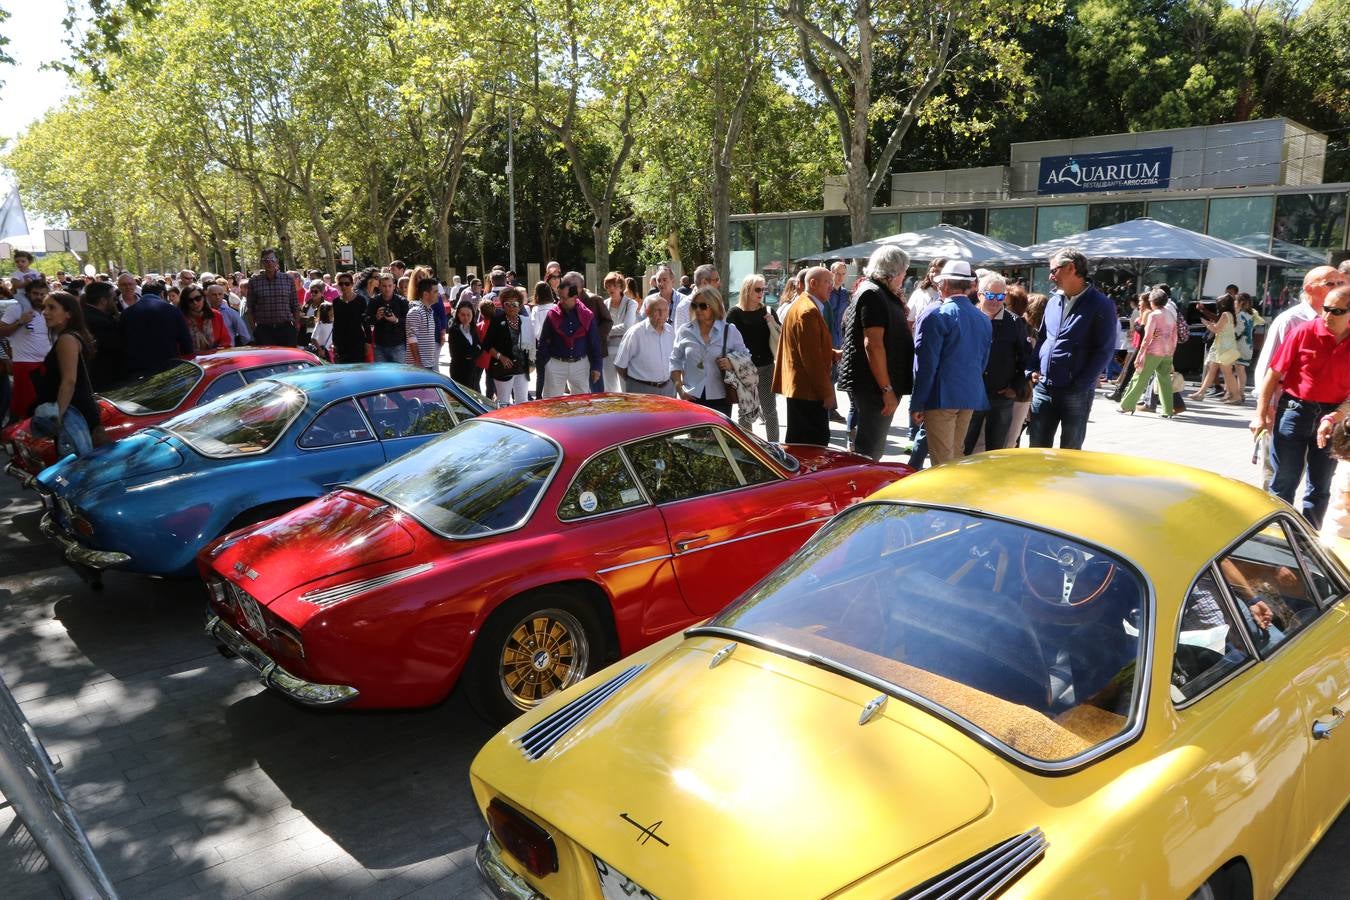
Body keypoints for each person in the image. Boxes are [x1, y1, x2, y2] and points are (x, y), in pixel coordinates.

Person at [1253, 285, 1350, 528]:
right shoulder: (1304, 331)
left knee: (1320, 485)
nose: (1327, 316)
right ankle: (1278, 536)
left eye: (1336, 311)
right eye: (1325, 309)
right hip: (1295, 410)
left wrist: (1336, 416)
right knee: (1284, 480)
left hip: (1332, 416)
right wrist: (1260, 413)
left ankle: (1308, 543)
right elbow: (1272, 375)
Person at [1027, 249, 1117, 450]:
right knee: (1037, 450)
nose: (1051, 276)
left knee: (1070, 452)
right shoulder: (1053, 301)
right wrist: (1031, 369)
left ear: (1070, 268)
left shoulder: (1101, 305)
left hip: (1076, 392)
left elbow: (1104, 350)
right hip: (1044, 388)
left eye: (1054, 270)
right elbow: (1042, 339)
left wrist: (1081, 383)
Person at [909, 260, 991, 465]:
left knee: (943, 461)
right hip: (969, 394)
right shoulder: (982, 318)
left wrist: (917, 402)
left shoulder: (935, 314)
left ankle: (945, 497)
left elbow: (925, 366)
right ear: (969, 286)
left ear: (944, 284)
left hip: (941, 397)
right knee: (956, 455)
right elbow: (982, 361)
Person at [837, 246, 913, 460]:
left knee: (870, 448)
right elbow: (873, 344)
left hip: (877, 385)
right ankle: (863, 491)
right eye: (904, 271)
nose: (905, 276)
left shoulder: (879, 292)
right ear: (894, 272)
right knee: (870, 451)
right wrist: (886, 389)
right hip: (874, 387)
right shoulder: (873, 293)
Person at [964, 272, 1031, 454]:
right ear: (979, 294)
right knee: (963, 448)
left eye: (1000, 296)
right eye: (990, 295)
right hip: (970, 394)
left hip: (1000, 395)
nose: (995, 301)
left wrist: (1015, 386)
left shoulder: (1015, 323)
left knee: (996, 450)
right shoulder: (968, 318)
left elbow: (1026, 359)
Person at [773, 266, 838, 446]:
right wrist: (827, 393)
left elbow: (805, 348)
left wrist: (832, 353)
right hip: (808, 391)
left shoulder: (804, 305)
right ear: (813, 283)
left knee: (800, 442)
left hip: (802, 389)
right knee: (812, 445)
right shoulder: (807, 310)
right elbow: (811, 358)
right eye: (827, 282)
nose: (831, 287)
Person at [33, 291, 102, 458]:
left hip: (74, 414)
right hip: (78, 411)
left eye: (52, 308)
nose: (45, 312)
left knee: (77, 470)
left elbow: (69, 381)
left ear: (68, 313)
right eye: (44, 307)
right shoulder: (71, 337)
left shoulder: (67, 340)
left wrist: (57, 417)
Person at [670, 286, 746, 415]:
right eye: (694, 305)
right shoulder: (685, 331)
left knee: (717, 435)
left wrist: (731, 362)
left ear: (714, 306)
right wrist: (680, 389)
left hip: (721, 396)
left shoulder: (729, 330)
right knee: (694, 435)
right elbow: (675, 361)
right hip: (692, 395)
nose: (698, 309)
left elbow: (746, 356)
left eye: (703, 306)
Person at [727, 274, 781, 442]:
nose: (761, 293)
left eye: (764, 289)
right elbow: (727, 340)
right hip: (744, 369)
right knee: (746, 411)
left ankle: (775, 448)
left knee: (770, 410)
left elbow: (781, 336)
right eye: (758, 289)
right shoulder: (735, 313)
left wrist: (773, 322)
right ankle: (748, 449)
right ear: (747, 290)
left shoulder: (768, 311)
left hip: (766, 367)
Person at [538, 273, 601, 397]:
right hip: (556, 364)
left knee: (581, 405)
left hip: (580, 365)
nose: (561, 301)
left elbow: (594, 342)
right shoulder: (552, 314)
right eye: (559, 297)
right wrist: (545, 363)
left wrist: (596, 366)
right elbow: (543, 340)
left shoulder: (587, 315)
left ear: (575, 297)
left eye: (564, 298)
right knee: (552, 405)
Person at [1118, 290, 1178, 418]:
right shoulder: (1170, 315)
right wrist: (1171, 352)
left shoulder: (1154, 315)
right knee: (1165, 381)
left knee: (1139, 377)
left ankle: (1127, 405)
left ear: (1153, 301)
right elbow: (1174, 336)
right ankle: (1168, 410)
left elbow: (1147, 337)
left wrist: (1141, 353)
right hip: (1167, 351)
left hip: (1153, 350)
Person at [1, 271, 51, 421]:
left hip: (48, 364)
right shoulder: (17, 309)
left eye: (43, 294)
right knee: (26, 410)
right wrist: (20, 322)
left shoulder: (50, 310)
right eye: (35, 294)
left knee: (46, 409)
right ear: (28, 294)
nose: (39, 297)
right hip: (25, 365)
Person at [614, 294, 677, 397]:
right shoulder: (635, 333)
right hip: (641, 390)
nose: (662, 314)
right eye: (657, 310)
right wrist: (635, 382)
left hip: (668, 388)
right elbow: (620, 365)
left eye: (665, 310)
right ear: (647, 312)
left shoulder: (670, 330)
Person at [1188, 295, 1241, 404]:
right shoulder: (1230, 315)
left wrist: (1206, 323)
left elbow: (1216, 329)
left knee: (1227, 373)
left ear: (1222, 304)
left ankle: (1236, 396)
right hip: (1222, 347)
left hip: (1223, 348)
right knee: (1213, 370)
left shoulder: (1226, 314)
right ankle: (1201, 393)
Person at [485, 286, 534, 404]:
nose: (511, 307)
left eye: (515, 304)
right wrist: (500, 357)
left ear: (520, 305)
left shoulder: (525, 321)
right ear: (502, 305)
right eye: (507, 304)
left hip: (521, 367)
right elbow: (486, 344)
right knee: (503, 402)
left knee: (522, 401)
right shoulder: (497, 320)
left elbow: (532, 344)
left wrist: (532, 362)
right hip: (503, 368)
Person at [247, 249, 301, 346]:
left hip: (286, 329)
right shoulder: (254, 281)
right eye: (266, 260)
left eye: (272, 259)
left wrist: (296, 325)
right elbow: (250, 308)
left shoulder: (287, 279)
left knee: (288, 359)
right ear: (262, 262)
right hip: (264, 330)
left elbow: (295, 304)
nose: (269, 263)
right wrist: (254, 328)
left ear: (277, 261)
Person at [81, 282, 126, 390]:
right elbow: (117, 348)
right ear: (103, 300)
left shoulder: (83, 314)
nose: (116, 302)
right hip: (104, 378)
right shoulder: (102, 322)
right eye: (113, 299)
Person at [602, 272, 638, 390]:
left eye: (614, 285)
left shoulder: (631, 303)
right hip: (607, 350)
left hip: (625, 349)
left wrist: (606, 331)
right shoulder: (604, 303)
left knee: (625, 387)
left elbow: (627, 327)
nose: (610, 288)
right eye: (608, 286)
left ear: (621, 287)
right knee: (609, 387)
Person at [579, 277, 614, 392]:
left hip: (594, 351)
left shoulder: (594, 300)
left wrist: (594, 337)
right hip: (576, 354)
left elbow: (608, 321)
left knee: (596, 388)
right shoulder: (567, 300)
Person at [366, 273, 409, 363]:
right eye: (384, 286)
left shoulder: (402, 301)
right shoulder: (374, 301)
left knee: (399, 374)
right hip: (380, 346)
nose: (387, 289)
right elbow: (367, 320)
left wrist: (395, 320)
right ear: (380, 287)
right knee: (382, 375)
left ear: (394, 286)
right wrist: (376, 317)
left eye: (389, 286)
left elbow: (408, 322)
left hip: (398, 345)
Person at [331, 272, 368, 364]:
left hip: (357, 340)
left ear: (352, 284)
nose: (344, 286)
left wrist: (368, 342)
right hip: (341, 342)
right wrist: (334, 343)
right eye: (341, 284)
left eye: (346, 284)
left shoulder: (360, 300)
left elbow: (365, 322)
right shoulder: (336, 302)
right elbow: (335, 324)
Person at [405, 276, 439, 370]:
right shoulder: (416, 311)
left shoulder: (429, 311)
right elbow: (412, 338)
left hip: (427, 364)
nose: (438, 294)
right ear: (426, 294)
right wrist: (418, 362)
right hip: (417, 366)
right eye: (435, 292)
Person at [448, 302, 484, 391]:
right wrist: (473, 351)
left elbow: (480, 348)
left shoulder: (473, 329)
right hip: (459, 371)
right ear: (458, 315)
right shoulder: (454, 330)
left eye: (469, 315)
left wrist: (471, 354)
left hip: (472, 369)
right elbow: (455, 353)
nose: (466, 318)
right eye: (463, 315)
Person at [207, 280, 251, 346]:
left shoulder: (231, 313)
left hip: (227, 350)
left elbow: (244, 334)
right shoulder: (202, 312)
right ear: (208, 296)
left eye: (220, 294)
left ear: (223, 295)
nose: (217, 297)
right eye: (214, 295)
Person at [907, 257, 947, 327]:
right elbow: (909, 321)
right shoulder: (919, 294)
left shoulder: (951, 295)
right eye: (932, 271)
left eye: (938, 271)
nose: (934, 274)